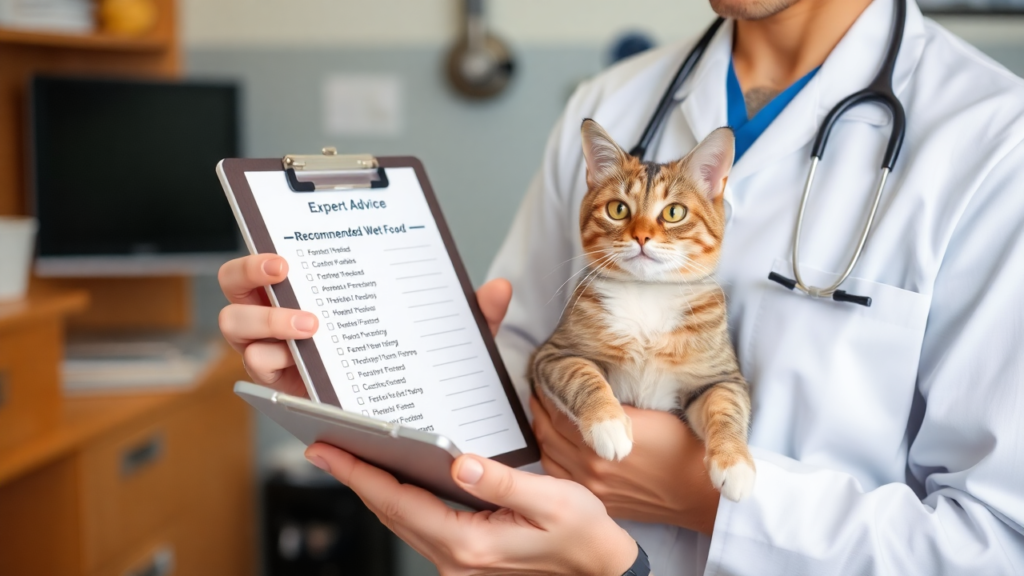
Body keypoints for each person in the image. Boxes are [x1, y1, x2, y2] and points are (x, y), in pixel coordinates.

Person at [217, 0, 1024, 573]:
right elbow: (523, 377)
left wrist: (703, 495)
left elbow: (995, 547)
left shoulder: (994, 142)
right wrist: (364, 366)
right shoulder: (614, 105)